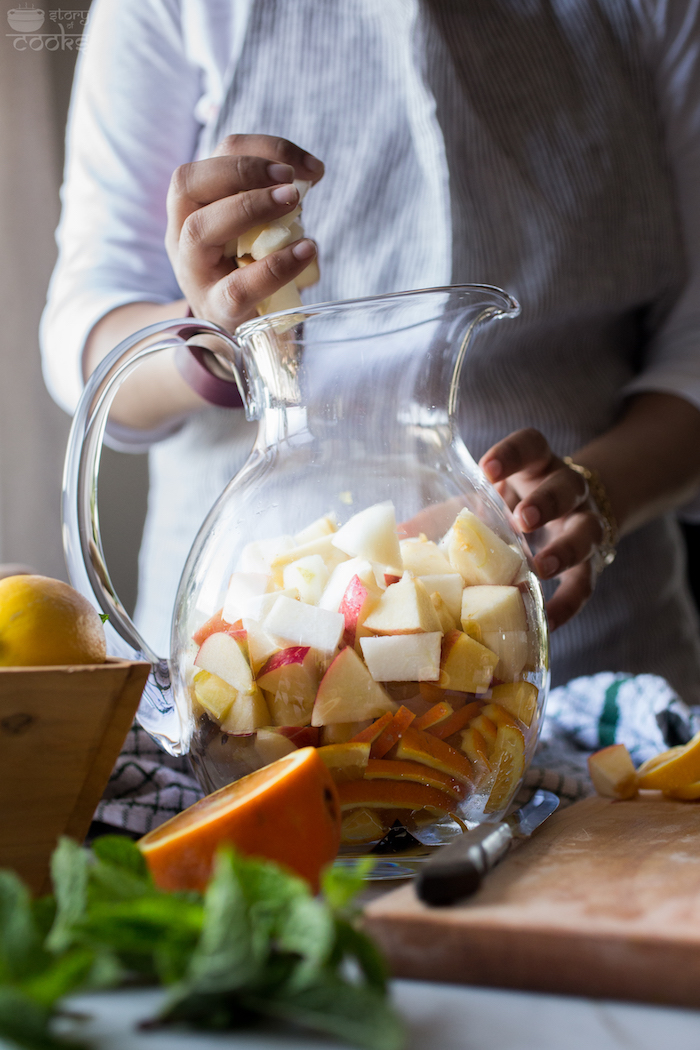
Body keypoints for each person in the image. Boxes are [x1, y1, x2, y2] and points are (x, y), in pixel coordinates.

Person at [41, 0, 700, 828]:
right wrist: (211, 338)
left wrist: (597, 494)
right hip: (256, 670)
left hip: (586, 659)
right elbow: (84, 332)